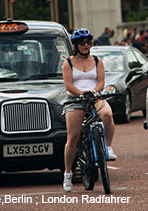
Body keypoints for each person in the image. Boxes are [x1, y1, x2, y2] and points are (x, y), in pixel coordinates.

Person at [62, 28, 117, 192]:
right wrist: (81, 94)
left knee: (107, 114)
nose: (86, 45)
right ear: (76, 45)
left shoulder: (98, 61)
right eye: (82, 43)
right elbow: (68, 85)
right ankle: (67, 173)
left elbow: (101, 82)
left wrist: (93, 93)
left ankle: (107, 147)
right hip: (74, 98)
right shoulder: (68, 63)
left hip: (94, 96)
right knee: (73, 137)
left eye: (88, 42)